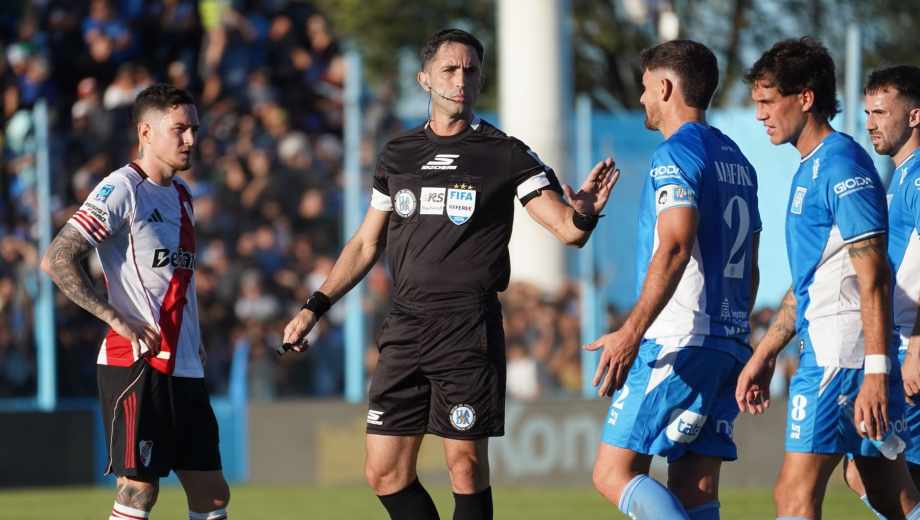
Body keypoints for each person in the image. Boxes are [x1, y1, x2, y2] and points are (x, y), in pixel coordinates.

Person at [280, 28, 617, 520]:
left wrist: (583, 213)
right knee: (384, 472)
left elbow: (566, 230)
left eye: (472, 71)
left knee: (464, 464)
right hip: (406, 325)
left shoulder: (506, 153)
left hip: (466, 327)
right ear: (425, 79)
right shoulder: (397, 154)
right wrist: (316, 306)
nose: (462, 80)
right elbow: (366, 243)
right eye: (450, 70)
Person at [736, 38, 920, 520]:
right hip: (837, 351)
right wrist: (765, 353)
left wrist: (877, 372)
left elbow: (873, 275)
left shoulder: (841, 164)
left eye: (767, 101)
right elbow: (809, 286)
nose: (760, 114)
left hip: (843, 357)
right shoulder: (810, 167)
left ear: (805, 97)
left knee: (793, 496)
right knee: (887, 492)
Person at [587, 40, 761, 520]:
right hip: (727, 341)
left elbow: (676, 244)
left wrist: (631, 331)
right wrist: (733, 334)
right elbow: (752, 264)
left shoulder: (675, 155)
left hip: (678, 340)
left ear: (665, 87)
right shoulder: (738, 160)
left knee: (612, 473)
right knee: (694, 489)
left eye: (645, 89)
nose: (642, 99)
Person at [41, 84, 230, 520]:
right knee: (139, 489)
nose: (191, 140)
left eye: (195, 129)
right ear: (146, 132)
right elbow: (57, 258)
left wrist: (193, 336)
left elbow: (176, 277)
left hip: (184, 364)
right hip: (138, 363)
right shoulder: (121, 188)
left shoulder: (183, 196)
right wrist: (114, 318)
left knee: (212, 492)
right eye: (179, 129)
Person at [843, 66, 920, 519]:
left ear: (914, 117)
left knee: (878, 468)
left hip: (909, 350)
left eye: (880, 112)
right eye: (866, 112)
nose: (870, 122)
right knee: (873, 470)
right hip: (895, 348)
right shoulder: (898, 178)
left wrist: (916, 348)